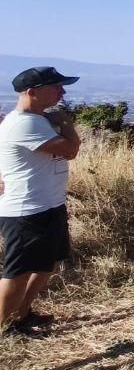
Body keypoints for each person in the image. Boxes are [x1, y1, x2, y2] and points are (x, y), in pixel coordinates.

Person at [0, 67, 81, 336]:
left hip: (47, 205)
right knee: (18, 271)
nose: (62, 91)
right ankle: (5, 326)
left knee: (47, 263)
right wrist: (67, 123)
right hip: (27, 209)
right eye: (56, 87)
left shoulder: (39, 119)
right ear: (32, 92)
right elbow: (70, 151)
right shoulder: (26, 122)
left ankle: (21, 313)